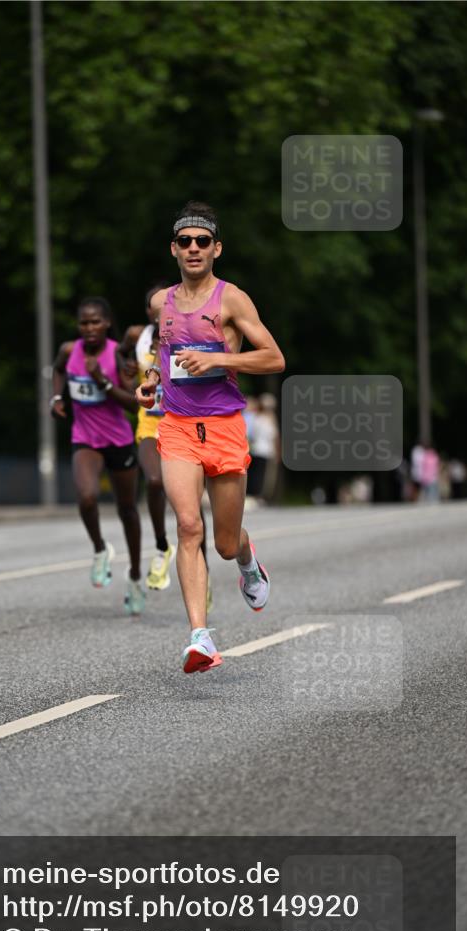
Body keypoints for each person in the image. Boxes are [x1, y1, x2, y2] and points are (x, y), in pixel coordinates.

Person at [136, 201, 285, 672]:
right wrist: (151, 384)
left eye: (203, 241)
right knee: (187, 526)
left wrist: (220, 360)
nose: (194, 248)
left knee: (222, 542)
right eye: (185, 241)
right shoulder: (162, 303)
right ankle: (200, 638)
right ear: (174, 250)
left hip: (223, 428)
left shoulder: (232, 299)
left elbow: (274, 359)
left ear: (216, 249)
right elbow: (164, 355)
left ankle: (245, 559)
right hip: (178, 427)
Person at [119, 285, 214, 607]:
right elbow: (122, 355)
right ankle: (162, 545)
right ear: (148, 311)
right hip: (150, 425)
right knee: (155, 481)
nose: (160, 310)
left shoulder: (189, 334)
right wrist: (127, 371)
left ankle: (205, 577)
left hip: (186, 425)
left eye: (166, 304)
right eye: (154, 306)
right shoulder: (137, 335)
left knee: (192, 513)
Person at [51, 296, 145, 615]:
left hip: (118, 439)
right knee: (87, 497)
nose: (89, 328)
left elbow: (133, 404)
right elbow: (58, 370)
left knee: (127, 510)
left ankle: (134, 575)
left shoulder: (119, 355)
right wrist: (56, 397)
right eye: (84, 323)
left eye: (96, 322)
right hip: (85, 438)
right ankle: (100, 550)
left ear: (106, 323)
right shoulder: (69, 350)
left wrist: (101, 380)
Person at [248, 392, 280, 503]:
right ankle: (256, 496)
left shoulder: (260, 418)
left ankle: (258, 495)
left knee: (260, 475)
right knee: (260, 475)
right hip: (262, 450)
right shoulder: (261, 419)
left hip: (260, 450)